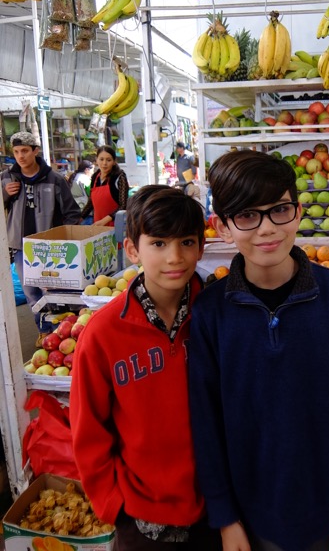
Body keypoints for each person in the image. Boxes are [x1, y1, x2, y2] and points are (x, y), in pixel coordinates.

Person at [188, 149, 329, 551]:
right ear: (222, 227)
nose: (266, 229)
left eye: (279, 209)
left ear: (297, 212)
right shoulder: (210, 312)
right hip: (248, 514)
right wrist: (225, 516)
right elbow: (207, 421)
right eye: (247, 215)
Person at [70, 185, 222, 551]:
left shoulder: (220, 317)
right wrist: (112, 504)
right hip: (141, 517)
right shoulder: (103, 333)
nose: (175, 257)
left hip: (218, 508)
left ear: (202, 246)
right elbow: (88, 428)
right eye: (158, 243)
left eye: (187, 242)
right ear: (132, 249)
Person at [0, 131, 81, 337]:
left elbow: (72, 213)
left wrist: (63, 240)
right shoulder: (6, 178)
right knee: (31, 292)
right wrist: (4, 195)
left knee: (54, 292)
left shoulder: (55, 180)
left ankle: (61, 332)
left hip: (50, 247)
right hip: (20, 246)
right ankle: (45, 332)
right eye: (16, 151)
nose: (20, 156)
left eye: (25, 151)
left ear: (35, 151)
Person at [80, 145, 129, 227]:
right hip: (98, 226)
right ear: (96, 160)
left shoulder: (120, 177)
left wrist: (104, 220)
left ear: (114, 162)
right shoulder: (95, 177)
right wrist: (80, 218)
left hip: (117, 226)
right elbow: (91, 203)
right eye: (101, 159)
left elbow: (124, 206)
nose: (104, 163)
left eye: (108, 160)